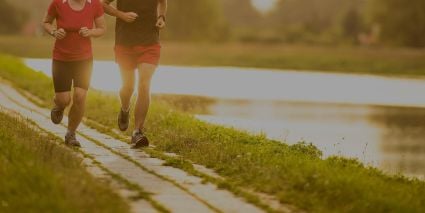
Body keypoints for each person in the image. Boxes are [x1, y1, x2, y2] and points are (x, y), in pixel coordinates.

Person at [102, 0, 167, 148]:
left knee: (144, 84)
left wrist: (161, 17)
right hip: (125, 42)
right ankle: (125, 108)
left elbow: (163, 2)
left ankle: (137, 131)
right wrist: (121, 15)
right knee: (128, 88)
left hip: (150, 41)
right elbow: (102, 4)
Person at [43, 0, 106, 147]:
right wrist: (54, 31)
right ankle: (59, 106)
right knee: (64, 99)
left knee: (80, 96)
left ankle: (71, 133)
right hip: (61, 59)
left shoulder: (94, 4)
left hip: (84, 60)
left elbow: (102, 28)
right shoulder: (58, 3)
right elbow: (46, 22)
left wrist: (91, 32)